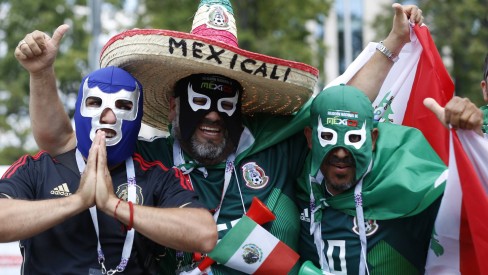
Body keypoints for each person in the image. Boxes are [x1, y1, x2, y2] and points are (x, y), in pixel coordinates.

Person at [15, 1, 423, 273]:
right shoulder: (147, 161)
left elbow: (339, 112)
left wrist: (393, 44)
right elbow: (60, 140)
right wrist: (41, 73)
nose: (212, 113)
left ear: (242, 107)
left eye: (225, 101)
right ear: (174, 107)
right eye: (199, 100)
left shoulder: (275, 147)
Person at [0, 66, 217, 274]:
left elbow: (204, 234)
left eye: (123, 106)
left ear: (138, 116)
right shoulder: (39, 167)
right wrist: (78, 201)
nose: (109, 117)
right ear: (79, 108)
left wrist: (114, 205)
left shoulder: (156, 175)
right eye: (95, 102)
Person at [296, 84, 447, 274]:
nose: (342, 153)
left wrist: (471, 138)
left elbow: (470, 212)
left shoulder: (404, 190)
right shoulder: (300, 184)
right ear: (310, 139)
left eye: (353, 139)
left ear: (372, 139)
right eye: (327, 136)